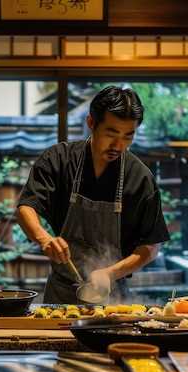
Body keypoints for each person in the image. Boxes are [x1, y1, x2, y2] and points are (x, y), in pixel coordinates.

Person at [16, 86, 169, 303]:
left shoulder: (140, 178)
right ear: (91, 122)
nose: (119, 145)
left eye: (128, 136)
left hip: (113, 297)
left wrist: (110, 273)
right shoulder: (59, 160)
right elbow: (26, 207)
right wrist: (45, 239)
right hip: (60, 294)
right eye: (111, 133)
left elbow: (151, 247)